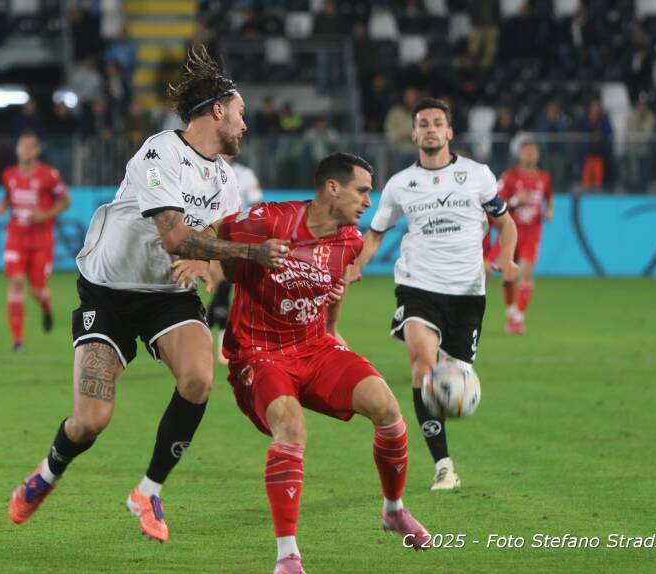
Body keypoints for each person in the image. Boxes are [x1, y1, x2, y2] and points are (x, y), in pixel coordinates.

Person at [7, 46, 290, 542]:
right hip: (109, 292)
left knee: (199, 379)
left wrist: (207, 262)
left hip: (166, 293)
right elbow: (175, 236)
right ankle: (47, 473)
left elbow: (209, 238)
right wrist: (247, 253)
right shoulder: (158, 155)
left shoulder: (226, 180)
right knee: (90, 421)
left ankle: (148, 491)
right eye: (241, 113)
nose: (246, 125)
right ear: (218, 110)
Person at [216, 153, 431, 573]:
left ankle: (393, 509)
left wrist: (332, 327)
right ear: (333, 188)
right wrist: (230, 263)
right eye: (362, 191)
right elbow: (214, 235)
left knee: (388, 409)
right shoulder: (270, 220)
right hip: (260, 353)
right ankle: (287, 556)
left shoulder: (350, 240)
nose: (368, 201)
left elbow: (339, 281)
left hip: (314, 347)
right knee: (292, 428)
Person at [348, 98, 518, 491]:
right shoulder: (400, 184)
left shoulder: (477, 175)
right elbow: (376, 232)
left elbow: (505, 223)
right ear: (413, 133)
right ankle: (443, 465)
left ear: (449, 132)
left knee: (452, 373)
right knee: (423, 367)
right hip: (419, 285)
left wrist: (507, 258)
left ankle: (443, 443)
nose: (430, 129)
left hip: (468, 292)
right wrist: (355, 266)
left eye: (437, 123)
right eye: (423, 123)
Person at [0, 131, 71, 351]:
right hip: (16, 238)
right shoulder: (8, 174)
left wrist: (45, 215)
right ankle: (18, 340)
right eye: (23, 146)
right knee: (17, 282)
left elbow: (65, 201)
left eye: (30, 147)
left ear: (37, 151)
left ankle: (46, 306)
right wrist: (3, 205)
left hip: (41, 242)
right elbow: (9, 195)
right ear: (17, 149)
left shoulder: (49, 175)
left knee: (36, 291)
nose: (26, 150)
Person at [487, 139, 553, 334]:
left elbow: (549, 197)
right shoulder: (509, 177)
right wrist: (516, 200)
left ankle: (518, 318)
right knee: (508, 275)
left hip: (532, 232)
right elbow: (496, 204)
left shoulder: (544, 178)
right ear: (519, 154)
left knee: (526, 272)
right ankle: (510, 313)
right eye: (526, 151)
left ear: (538, 155)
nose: (530, 155)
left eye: (533, 151)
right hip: (510, 231)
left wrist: (549, 210)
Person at [208, 153, 264, 364]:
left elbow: (257, 205)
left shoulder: (245, 174)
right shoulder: (204, 170)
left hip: (238, 236)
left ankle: (209, 329)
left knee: (227, 287)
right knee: (222, 285)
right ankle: (221, 339)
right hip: (212, 234)